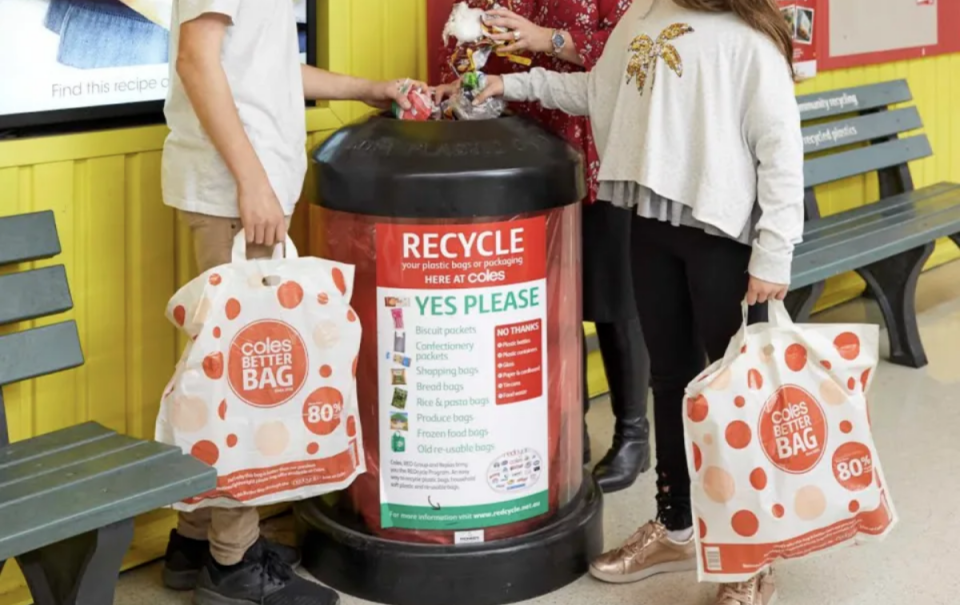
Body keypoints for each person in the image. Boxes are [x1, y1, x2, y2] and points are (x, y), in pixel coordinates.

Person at [471, 0, 803, 602]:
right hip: (650, 223)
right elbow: (598, 92)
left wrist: (774, 253)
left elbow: (781, 147)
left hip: (724, 237)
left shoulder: (750, 38)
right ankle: (677, 524)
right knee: (671, 381)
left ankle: (751, 552)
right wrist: (506, 80)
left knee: (735, 394)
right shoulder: (643, 16)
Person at [160, 1, 422, 604]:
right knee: (249, 382)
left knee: (220, 372)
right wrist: (253, 182)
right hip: (233, 195)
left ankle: (194, 541)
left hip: (242, 192)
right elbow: (196, 62)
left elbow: (268, 70)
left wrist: (369, 89)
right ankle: (234, 567)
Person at [435, 0, 653, 493]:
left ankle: (633, 434)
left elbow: (633, 57)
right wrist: (466, 68)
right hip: (523, 157)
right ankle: (566, 429)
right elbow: (458, 47)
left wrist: (546, 39)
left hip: (599, 149)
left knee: (612, 298)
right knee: (548, 306)